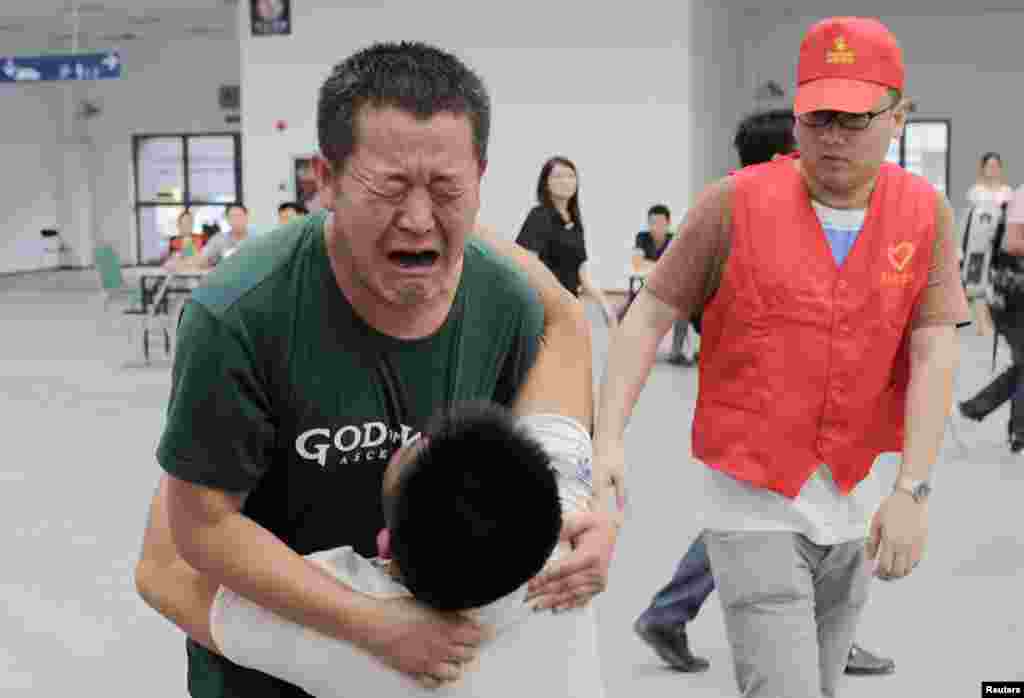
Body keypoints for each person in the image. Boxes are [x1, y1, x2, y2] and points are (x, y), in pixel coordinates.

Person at [140, 41, 618, 697]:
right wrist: (372, 626)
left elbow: (542, 432)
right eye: (389, 186)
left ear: (480, 176)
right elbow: (191, 536)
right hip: (270, 669)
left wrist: (589, 521)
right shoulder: (242, 316)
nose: (418, 219)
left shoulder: (503, 300)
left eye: (447, 188)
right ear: (325, 179)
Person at [597, 17, 968, 698]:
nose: (832, 136)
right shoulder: (733, 204)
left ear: (899, 116)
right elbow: (647, 312)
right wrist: (610, 438)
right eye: (817, 116)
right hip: (751, 503)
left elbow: (934, 345)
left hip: (852, 501)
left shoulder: (924, 214)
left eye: (855, 119)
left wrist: (913, 488)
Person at [135, 245, 604, 695]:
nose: (421, 433)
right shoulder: (564, 564)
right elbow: (565, 319)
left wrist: (201, 418)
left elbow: (163, 570)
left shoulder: (368, 635)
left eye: (418, 445)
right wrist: (450, 224)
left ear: (385, 549)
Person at [633, 105, 894, 678]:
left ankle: (672, 611)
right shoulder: (742, 223)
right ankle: (679, 612)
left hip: (793, 425)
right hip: (769, 418)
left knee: (779, 523)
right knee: (772, 525)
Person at [516, 156, 618, 327]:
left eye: (571, 176)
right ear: (546, 183)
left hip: (569, 305)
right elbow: (528, 267)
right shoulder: (538, 216)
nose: (565, 181)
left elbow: (583, 275)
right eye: (558, 176)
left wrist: (606, 307)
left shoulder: (575, 221)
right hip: (543, 306)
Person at [959, 185, 1024, 451]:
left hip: (1016, 295)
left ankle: (1014, 430)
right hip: (1010, 297)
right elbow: (1011, 242)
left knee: (1022, 365)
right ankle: (976, 412)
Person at [629, 204, 693, 365]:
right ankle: (636, 349)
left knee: (683, 309)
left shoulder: (675, 239)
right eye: (652, 222)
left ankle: (676, 352)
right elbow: (637, 264)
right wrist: (663, 265)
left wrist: (650, 265)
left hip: (671, 291)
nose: (656, 227)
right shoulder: (642, 237)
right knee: (630, 308)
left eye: (660, 223)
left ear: (668, 223)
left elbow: (679, 266)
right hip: (649, 290)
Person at [165, 204, 250, 271]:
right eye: (233, 217)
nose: (236, 220)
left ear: (246, 217)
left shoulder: (258, 239)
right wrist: (179, 264)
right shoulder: (219, 239)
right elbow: (201, 260)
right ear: (227, 219)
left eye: (239, 216)